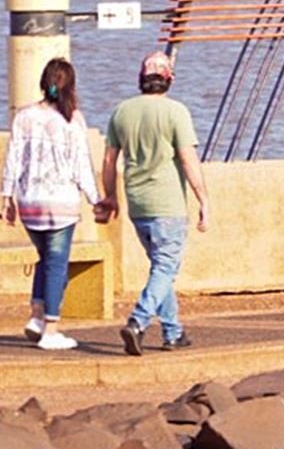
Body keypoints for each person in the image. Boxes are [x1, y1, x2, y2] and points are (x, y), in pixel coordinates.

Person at [97, 51, 209, 356]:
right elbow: (188, 159)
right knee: (165, 267)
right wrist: (203, 200)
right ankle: (138, 321)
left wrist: (110, 197)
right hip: (168, 203)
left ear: (141, 79)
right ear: (169, 80)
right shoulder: (176, 112)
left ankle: (173, 332)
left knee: (161, 268)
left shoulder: (122, 112)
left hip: (138, 204)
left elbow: (108, 161)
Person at [0, 57, 101, 350]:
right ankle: (51, 330)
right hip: (61, 204)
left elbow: (13, 159)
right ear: (71, 86)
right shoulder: (73, 119)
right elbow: (82, 165)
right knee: (57, 265)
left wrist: (7, 197)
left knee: (46, 260)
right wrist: (96, 200)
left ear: (44, 84)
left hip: (30, 202)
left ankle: (36, 317)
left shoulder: (24, 116)